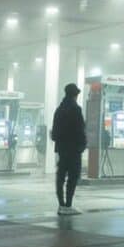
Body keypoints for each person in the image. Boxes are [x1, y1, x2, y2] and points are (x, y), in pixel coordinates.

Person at [51, 83, 87, 216]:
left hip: (62, 149)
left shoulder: (59, 110)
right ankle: (68, 205)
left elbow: (54, 133)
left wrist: (60, 141)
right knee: (73, 176)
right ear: (75, 95)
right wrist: (82, 145)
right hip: (74, 149)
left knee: (60, 176)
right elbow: (80, 130)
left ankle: (61, 205)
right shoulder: (76, 109)